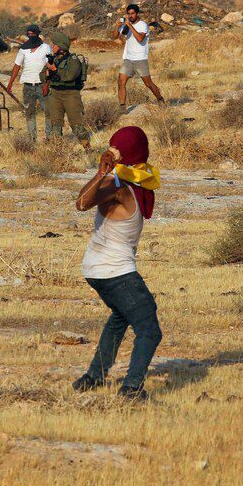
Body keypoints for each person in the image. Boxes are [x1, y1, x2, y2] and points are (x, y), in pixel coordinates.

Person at [72, 126, 162, 402]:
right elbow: (81, 204)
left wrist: (107, 171)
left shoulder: (130, 180)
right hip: (114, 270)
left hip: (97, 268)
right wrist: (102, 172)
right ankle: (131, 389)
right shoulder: (117, 185)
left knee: (121, 316)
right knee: (149, 329)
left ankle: (92, 378)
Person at [42, 31, 90, 147]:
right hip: (55, 94)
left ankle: (87, 147)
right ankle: (57, 150)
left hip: (70, 94)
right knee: (55, 125)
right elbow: (41, 76)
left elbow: (69, 76)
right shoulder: (53, 59)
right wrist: (47, 73)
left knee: (76, 125)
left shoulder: (73, 60)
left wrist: (55, 70)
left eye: (55, 45)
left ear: (61, 47)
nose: (52, 46)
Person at [113, 3, 165, 110]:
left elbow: (140, 39)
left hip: (140, 59)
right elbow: (114, 37)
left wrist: (130, 26)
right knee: (121, 82)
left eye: (132, 13)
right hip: (128, 59)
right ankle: (122, 107)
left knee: (148, 84)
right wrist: (117, 26)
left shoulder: (143, 25)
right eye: (129, 14)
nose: (130, 16)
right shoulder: (126, 25)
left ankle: (160, 99)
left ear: (137, 14)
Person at [5, 24, 51, 141]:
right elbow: (17, 66)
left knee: (49, 112)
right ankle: (32, 139)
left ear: (37, 34)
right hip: (28, 86)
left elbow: (50, 66)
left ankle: (50, 138)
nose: (31, 36)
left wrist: (47, 84)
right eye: (29, 34)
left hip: (42, 85)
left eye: (33, 34)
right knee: (29, 113)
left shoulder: (45, 48)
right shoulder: (23, 49)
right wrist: (10, 83)